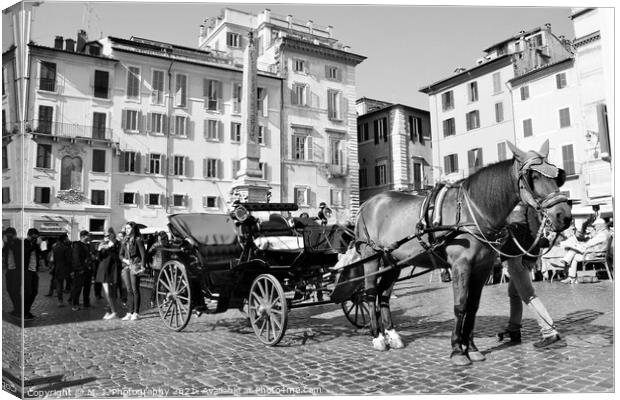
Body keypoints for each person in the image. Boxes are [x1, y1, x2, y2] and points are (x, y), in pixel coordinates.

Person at [496, 202, 564, 348]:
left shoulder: (525, 206)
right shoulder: (513, 204)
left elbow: (535, 233)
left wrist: (531, 258)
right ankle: (514, 328)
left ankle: (549, 332)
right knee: (513, 292)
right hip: (515, 254)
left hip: (517, 255)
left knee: (528, 295)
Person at [559, 217, 612, 284]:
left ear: (600, 225)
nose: (595, 227)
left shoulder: (602, 234)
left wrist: (581, 245)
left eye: (595, 226)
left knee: (574, 253)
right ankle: (567, 262)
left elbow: (590, 243)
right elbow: (592, 242)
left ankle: (571, 276)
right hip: (596, 252)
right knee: (574, 249)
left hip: (594, 254)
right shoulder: (606, 233)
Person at [120, 222, 146, 321]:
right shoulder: (124, 240)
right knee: (129, 290)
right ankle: (129, 312)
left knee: (135, 289)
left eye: (129, 228)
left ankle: (136, 312)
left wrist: (143, 266)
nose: (127, 230)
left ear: (133, 229)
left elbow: (143, 254)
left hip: (135, 265)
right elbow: (120, 254)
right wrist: (124, 260)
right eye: (125, 228)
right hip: (126, 266)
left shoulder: (138, 239)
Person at [96, 228, 120, 319]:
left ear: (112, 235)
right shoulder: (102, 244)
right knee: (107, 292)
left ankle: (113, 311)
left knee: (111, 292)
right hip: (103, 270)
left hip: (112, 270)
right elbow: (98, 258)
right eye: (105, 235)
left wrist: (109, 247)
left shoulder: (116, 244)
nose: (106, 237)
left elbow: (116, 256)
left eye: (108, 235)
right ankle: (110, 311)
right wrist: (99, 249)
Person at [71, 230, 95, 311]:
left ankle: (86, 303)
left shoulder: (88, 245)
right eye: (88, 235)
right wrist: (79, 268)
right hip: (80, 270)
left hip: (88, 269)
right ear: (84, 236)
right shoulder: (77, 245)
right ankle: (75, 304)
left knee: (87, 287)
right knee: (77, 288)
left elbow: (88, 256)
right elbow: (76, 258)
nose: (90, 237)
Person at [2, 227, 22, 318]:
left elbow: (17, 251)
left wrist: (9, 242)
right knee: (9, 290)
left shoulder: (19, 243)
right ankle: (16, 308)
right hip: (9, 270)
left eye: (10, 236)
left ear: (14, 235)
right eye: (7, 236)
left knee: (15, 291)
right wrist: (5, 243)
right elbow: (3, 252)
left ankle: (19, 310)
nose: (8, 237)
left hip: (17, 271)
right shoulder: (7, 244)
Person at [147, 231, 170, 308]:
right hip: (167, 266)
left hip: (158, 266)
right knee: (166, 284)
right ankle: (165, 300)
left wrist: (150, 262)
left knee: (156, 284)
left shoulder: (156, 245)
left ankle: (152, 301)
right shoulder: (169, 245)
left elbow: (149, 252)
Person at [23, 228, 42, 320]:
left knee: (34, 292)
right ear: (29, 235)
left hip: (34, 271)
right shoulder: (24, 243)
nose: (35, 239)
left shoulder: (34, 245)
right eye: (34, 237)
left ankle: (27, 311)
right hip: (26, 271)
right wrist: (35, 244)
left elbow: (40, 254)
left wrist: (38, 246)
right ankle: (24, 312)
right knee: (28, 292)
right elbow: (25, 252)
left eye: (36, 238)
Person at [50, 234, 72, 307]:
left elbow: (52, 259)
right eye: (67, 238)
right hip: (66, 269)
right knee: (73, 284)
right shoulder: (66, 248)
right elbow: (69, 260)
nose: (68, 240)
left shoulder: (55, 247)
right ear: (64, 239)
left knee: (59, 286)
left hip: (57, 268)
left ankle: (60, 301)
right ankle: (71, 299)